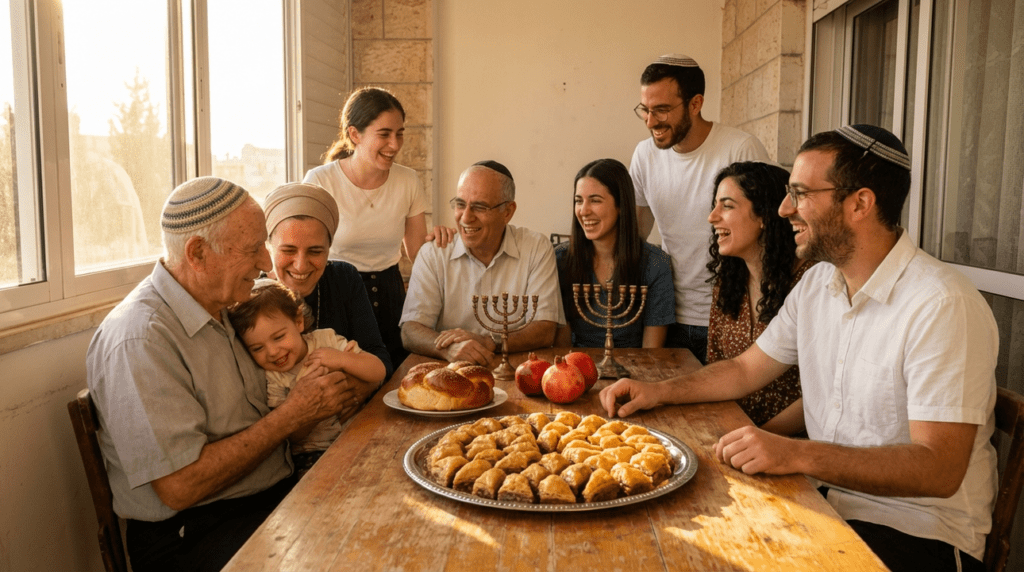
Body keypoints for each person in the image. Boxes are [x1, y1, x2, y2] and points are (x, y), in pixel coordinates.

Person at [600, 125, 998, 572]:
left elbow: (938, 469)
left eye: (801, 194)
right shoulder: (818, 283)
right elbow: (745, 370)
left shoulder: (941, 303)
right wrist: (659, 392)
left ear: (860, 203)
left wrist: (795, 452)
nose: (785, 209)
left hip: (918, 534)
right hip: (825, 499)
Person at [86, 177, 355, 572]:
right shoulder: (141, 338)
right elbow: (179, 487)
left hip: (267, 498)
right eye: (252, 249)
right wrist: (294, 414)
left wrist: (319, 402)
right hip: (193, 535)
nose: (266, 263)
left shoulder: (229, 305)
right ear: (198, 253)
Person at [630, 53, 769, 363]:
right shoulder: (644, 155)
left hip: (732, 315)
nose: (651, 122)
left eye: (662, 110)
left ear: (695, 104)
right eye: (645, 110)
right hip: (666, 317)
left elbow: (769, 237)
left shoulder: (740, 149)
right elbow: (636, 233)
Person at [303, 86, 453, 370]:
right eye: (384, 134)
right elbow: (304, 248)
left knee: (392, 378)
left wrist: (438, 242)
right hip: (335, 296)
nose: (394, 145)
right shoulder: (320, 181)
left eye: (399, 133)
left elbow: (417, 253)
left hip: (389, 296)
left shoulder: (408, 181)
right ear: (354, 134)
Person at [400, 161, 564, 365]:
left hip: (518, 369)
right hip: (450, 370)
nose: (466, 217)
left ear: (507, 211)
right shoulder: (434, 253)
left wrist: (489, 342)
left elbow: (545, 330)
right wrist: (448, 349)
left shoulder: (536, 248)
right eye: (460, 204)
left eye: (479, 207)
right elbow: (410, 331)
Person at [228, 279, 386, 478]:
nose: (272, 352)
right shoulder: (272, 377)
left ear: (298, 321)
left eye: (278, 337)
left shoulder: (326, 340)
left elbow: (378, 370)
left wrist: (343, 359)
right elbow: (291, 437)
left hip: (359, 433)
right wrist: (312, 412)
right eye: (257, 348)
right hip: (313, 454)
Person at [706, 161, 814, 433]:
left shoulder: (812, 282)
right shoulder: (728, 282)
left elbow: (822, 392)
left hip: (794, 442)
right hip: (734, 432)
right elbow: (717, 366)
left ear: (764, 215)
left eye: (727, 206)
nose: (712, 217)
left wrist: (762, 436)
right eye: (715, 205)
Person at [263, 182, 394, 388]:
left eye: (315, 251)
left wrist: (350, 389)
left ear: (329, 248)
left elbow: (381, 360)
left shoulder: (343, 278)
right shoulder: (253, 294)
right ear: (269, 246)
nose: (300, 265)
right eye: (288, 251)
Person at [554, 158, 675, 348]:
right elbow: (563, 345)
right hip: (577, 362)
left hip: (636, 364)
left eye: (595, 200)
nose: (583, 211)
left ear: (621, 205)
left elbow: (652, 351)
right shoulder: (560, 259)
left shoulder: (655, 263)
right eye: (578, 201)